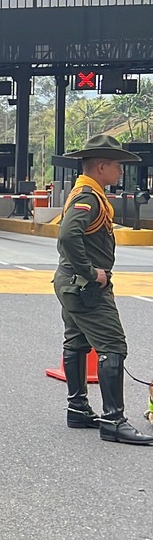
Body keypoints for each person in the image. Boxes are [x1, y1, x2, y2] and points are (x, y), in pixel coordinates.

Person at [53, 134, 153, 445]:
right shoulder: (89, 197)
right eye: (117, 166)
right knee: (113, 345)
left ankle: (78, 408)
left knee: (77, 341)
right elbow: (68, 237)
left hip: (70, 283)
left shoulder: (85, 192)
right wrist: (90, 273)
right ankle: (114, 420)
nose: (120, 171)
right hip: (84, 285)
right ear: (101, 166)